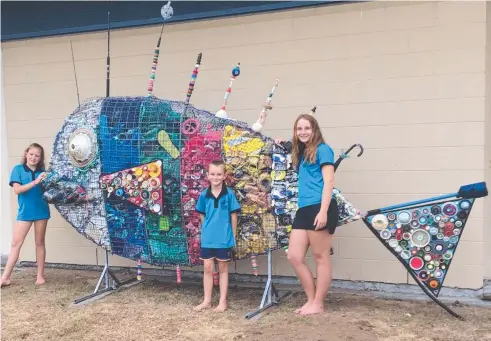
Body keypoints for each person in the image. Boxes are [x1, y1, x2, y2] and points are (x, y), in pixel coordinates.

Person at [275, 113, 339, 316]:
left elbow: (329, 181)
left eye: (307, 128)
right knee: (294, 256)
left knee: (320, 257)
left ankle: (318, 303)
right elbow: (290, 148)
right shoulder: (302, 152)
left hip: (320, 207)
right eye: (299, 128)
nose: (303, 132)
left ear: (315, 130)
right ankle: (310, 299)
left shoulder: (323, 150)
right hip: (303, 209)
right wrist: (280, 142)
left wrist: (323, 212)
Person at [193, 159, 241, 312]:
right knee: (207, 268)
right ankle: (207, 300)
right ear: (208, 175)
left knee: (223, 269)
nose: (215, 177)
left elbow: (234, 216)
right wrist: (207, 228)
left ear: (224, 176)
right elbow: (202, 215)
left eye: (219, 174)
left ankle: (222, 302)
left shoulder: (229, 194)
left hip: (224, 239)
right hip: (208, 239)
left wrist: (232, 235)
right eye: (212, 174)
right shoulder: (203, 195)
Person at [1, 143, 50, 287]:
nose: (33, 158)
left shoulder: (43, 171)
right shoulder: (17, 170)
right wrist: (36, 182)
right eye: (31, 154)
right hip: (25, 213)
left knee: (40, 243)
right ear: (26, 154)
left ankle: (40, 277)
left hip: (41, 211)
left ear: (40, 158)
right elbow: (18, 190)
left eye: (37, 155)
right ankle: (5, 277)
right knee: (16, 244)